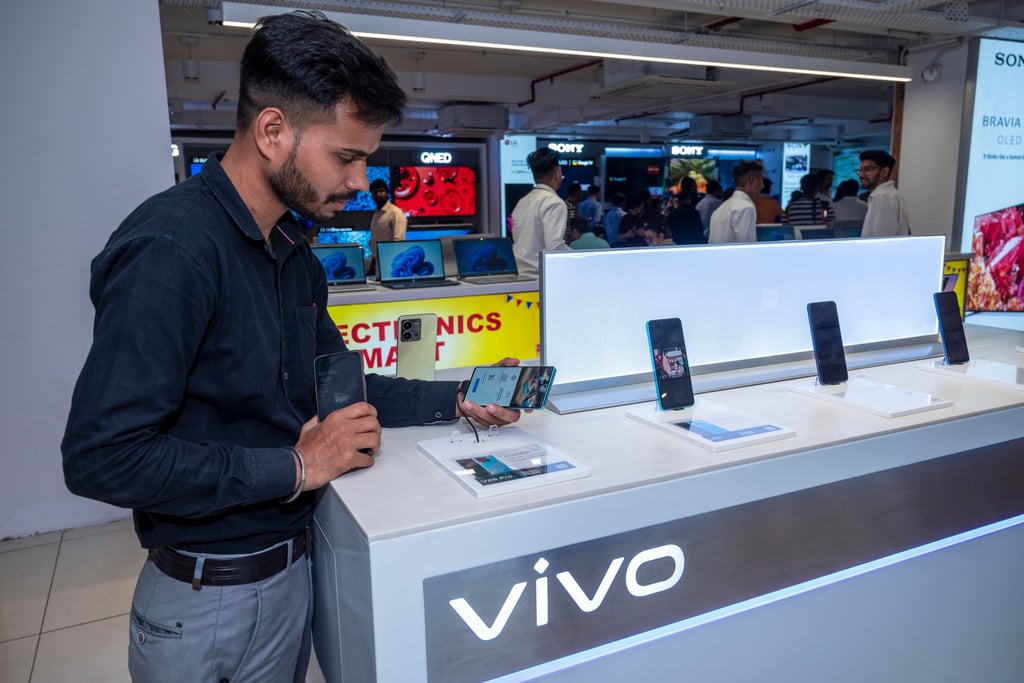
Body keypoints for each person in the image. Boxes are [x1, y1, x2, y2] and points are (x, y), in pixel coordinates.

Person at [60, 12, 521, 683]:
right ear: (273, 131)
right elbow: (102, 456)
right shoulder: (173, 250)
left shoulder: (292, 257)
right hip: (203, 604)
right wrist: (295, 467)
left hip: (292, 575)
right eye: (346, 157)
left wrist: (459, 394)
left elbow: (337, 384)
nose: (362, 181)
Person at [511, 147, 570, 277]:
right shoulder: (554, 203)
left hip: (518, 274)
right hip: (540, 277)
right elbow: (554, 247)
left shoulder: (523, 201)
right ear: (557, 173)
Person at [708, 159, 764, 244]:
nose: (762, 186)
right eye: (761, 180)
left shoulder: (720, 208)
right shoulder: (746, 207)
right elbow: (747, 248)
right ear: (752, 180)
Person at [858, 149, 910, 237]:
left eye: (867, 169)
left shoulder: (882, 196)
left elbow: (882, 241)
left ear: (884, 172)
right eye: (860, 170)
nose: (861, 175)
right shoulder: (889, 194)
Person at [367, 177, 406, 275]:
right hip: (376, 260)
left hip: (389, 262)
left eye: (381, 191)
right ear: (371, 195)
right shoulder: (376, 214)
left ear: (387, 193)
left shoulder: (395, 213)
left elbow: (399, 242)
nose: (378, 195)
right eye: (375, 192)